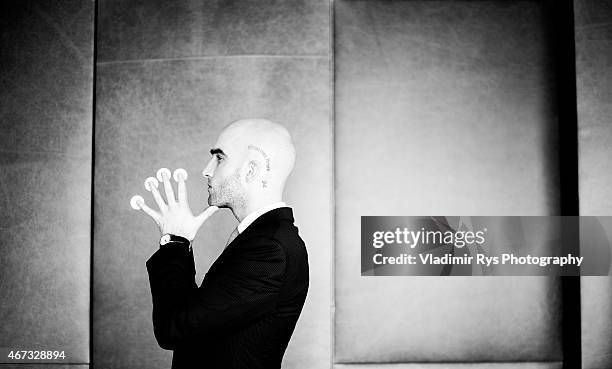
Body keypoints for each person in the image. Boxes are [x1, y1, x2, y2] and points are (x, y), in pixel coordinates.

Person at [132, 119, 309, 368]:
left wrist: (175, 241)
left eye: (219, 158)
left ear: (251, 169)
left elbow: (174, 327)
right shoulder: (265, 239)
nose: (206, 170)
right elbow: (201, 319)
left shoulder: (269, 250)